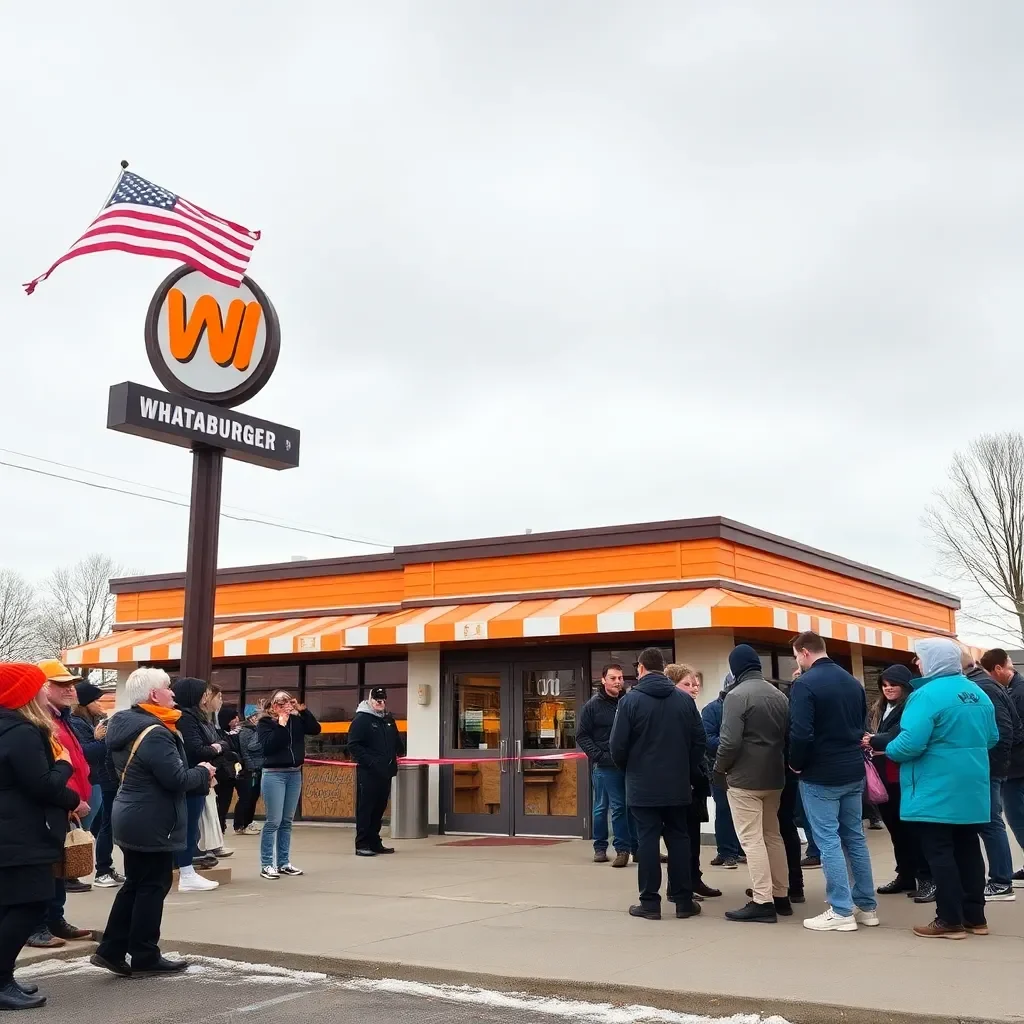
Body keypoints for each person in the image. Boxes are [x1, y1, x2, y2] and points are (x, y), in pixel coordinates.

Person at [93, 667, 215, 977]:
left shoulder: (124, 725)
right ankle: (145, 954)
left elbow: (111, 770)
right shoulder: (156, 731)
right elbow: (175, 778)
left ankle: (112, 949)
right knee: (152, 885)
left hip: (132, 813)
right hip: (150, 819)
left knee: (136, 884)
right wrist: (203, 772)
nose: (173, 693)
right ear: (153, 695)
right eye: (167, 688)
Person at [877, 639, 998, 939]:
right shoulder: (977, 692)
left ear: (933, 661)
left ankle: (949, 919)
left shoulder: (926, 695)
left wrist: (887, 749)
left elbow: (910, 743)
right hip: (972, 785)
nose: (917, 663)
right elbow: (992, 737)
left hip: (935, 788)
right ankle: (975, 917)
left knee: (939, 853)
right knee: (969, 850)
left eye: (920, 657)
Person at [0, 663, 81, 1010]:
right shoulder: (21, 732)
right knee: (31, 904)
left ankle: (4, 976)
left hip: (12, 832)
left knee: (10, 906)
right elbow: (42, 785)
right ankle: (0, 980)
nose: (41, 692)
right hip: (21, 834)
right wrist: (65, 766)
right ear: (22, 694)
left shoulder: (10, 728)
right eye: (36, 687)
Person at [789, 631, 879, 932]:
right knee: (854, 837)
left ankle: (841, 910)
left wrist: (796, 763)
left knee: (828, 841)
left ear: (803, 653)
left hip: (820, 773)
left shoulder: (804, 684)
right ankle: (866, 906)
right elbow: (862, 726)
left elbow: (801, 732)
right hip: (852, 770)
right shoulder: (852, 682)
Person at [609, 647, 706, 921]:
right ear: (663, 668)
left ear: (640, 668)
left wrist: (630, 768)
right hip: (677, 783)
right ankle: (684, 901)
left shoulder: (630, 702)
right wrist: (686, 769)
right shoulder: (684, 701)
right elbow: (699, 741)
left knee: (648, 841)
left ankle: (650, 902)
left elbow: (617, 746)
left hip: (643, 785)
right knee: (679, 839)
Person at [713, 645, 790, 923]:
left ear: (736, 668)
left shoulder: (736, 696)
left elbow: (729, 741)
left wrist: (720, 768)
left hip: (745, 778)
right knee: (772, 835)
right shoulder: (779, 695)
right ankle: (781, 895)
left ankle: (762, 900)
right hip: (775, 776)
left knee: (751, 839)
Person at [26, 660, 93, 949]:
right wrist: (70, 799)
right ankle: (38, 924)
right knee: (46, 867)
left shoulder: (61, 717)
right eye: (61, 684)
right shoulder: (40, 720)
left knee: (60, 866)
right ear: (43, 688)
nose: (69, 690)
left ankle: (54, 918)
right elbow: (52, 766)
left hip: (67, 801)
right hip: (57, 803)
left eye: (70, 685)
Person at [865, 665, 932, 900]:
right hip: (884, 776)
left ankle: (926, 879)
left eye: (893, 684)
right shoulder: (880, 708)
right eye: (884, 685)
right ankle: (905, 874)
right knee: (895, 830)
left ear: (904, 685)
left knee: (912, 830)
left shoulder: (911, 707)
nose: (888, 688)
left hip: (902, 775)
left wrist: (873, 739)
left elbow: (901, 734)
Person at [961, 650, 1017, 902]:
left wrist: (989, 766)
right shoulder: (986, 686)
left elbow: (1005, 731)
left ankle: (1001, 882)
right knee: (991, 822)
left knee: (991, 823)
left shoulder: (982, 688)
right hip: (991, 767)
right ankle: (1001, 879)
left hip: (989, 768)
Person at [665, 664, 719, 899]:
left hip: (696, 779)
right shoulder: (672, 711)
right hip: (680, 781)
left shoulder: (692, 708)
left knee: (693, 834)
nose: (693, 688)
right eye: (687, 684)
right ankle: (679, 884)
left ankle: (694, 878)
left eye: (695, 683)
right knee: (681, 836)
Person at [578, 664, 637, 867]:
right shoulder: (592, 706)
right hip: (605, 766)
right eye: (612, 678)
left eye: (620, 678)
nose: (617, 682)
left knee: (629, 807)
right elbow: (582, 736)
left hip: (627, 764)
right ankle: (606, 848)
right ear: (603, 680)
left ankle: (632, 847)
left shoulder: (627, 702)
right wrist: (599, 756)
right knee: (606, 807)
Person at [257, 690, 320, 877]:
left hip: (294, 774)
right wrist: (281, 725)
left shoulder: (296, 720)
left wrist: (303, 711)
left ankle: (283, 862)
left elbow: (315, 729)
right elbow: (269, 746)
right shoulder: (266, 723)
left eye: (288, 700)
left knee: (286, 821)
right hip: (274, 774)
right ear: (272, 706)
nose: (285, 704)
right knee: (273, 821)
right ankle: (267, 864)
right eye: (280, 702)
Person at [169, 677, 224, 892]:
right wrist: (217, 748)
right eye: (204, 693)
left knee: (192, 826)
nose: (206, 697)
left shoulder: (200, 718)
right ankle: (186, 870)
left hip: (200, 777)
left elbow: (218, 742)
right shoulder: (186, 718)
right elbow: (197, 749)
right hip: (191, 777)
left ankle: (187, 866)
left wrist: (217, 746)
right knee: (188, 826)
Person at [69, 679, 123, 889]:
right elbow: (86, 754)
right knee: (91, 827)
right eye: (96, 701)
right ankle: (100, 870)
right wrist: (100, 740)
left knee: (101, 826)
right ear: (85, 703)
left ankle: (105, 867)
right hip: (94, 781)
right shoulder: (77, 723)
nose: (100, 705)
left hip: (102, 779)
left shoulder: (91, 722)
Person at [979, 649, 1024, 887]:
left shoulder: (1017, 691)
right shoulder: (1011, 689)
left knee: (1016, 818)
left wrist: (1002, 755)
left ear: (996, 669)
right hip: (1013, 764)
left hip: (1015, 766)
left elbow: (1013, 730)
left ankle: (1001, 881)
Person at [348, 686, 406, 857]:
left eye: (383, 700)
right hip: (368, 773)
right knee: (366, 809)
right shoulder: (362, 720)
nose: (380, 703)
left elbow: (395, 739)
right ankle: (362, 843)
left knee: (379, 808)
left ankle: (374, 841)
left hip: (385, 772)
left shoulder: (387, 720)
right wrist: (370, 762)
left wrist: (400, 751)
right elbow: (354, 745)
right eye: (377, 700)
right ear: (370, 700)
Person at [701, 676, 743, 868]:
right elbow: (708, 740)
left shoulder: (746, 706)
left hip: (745, 770)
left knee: (744, 813)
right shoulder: (712, 710)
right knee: (725, 810)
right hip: (720, 769)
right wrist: (733, 745)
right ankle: (727, 853)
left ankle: (739, 850)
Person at [233, 705, 265, 836]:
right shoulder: (247, 731)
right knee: (247, 797)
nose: (259, 718)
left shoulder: (253, 729)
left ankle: (248, 822)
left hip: (257, 767)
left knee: (253, 797)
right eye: (257, 716)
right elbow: (250, 748)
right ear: (251, 717)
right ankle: (241, 824)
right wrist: (263, 738)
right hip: (251, 769)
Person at [215, 704, 242, 833]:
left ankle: (222, 823)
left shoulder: (238, 733)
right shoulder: (218, 733)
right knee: (218, 802)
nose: (236, 720)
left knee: (226, 801)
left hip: (232, 773)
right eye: (233, 717)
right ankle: (219, 825)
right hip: (220, 773)